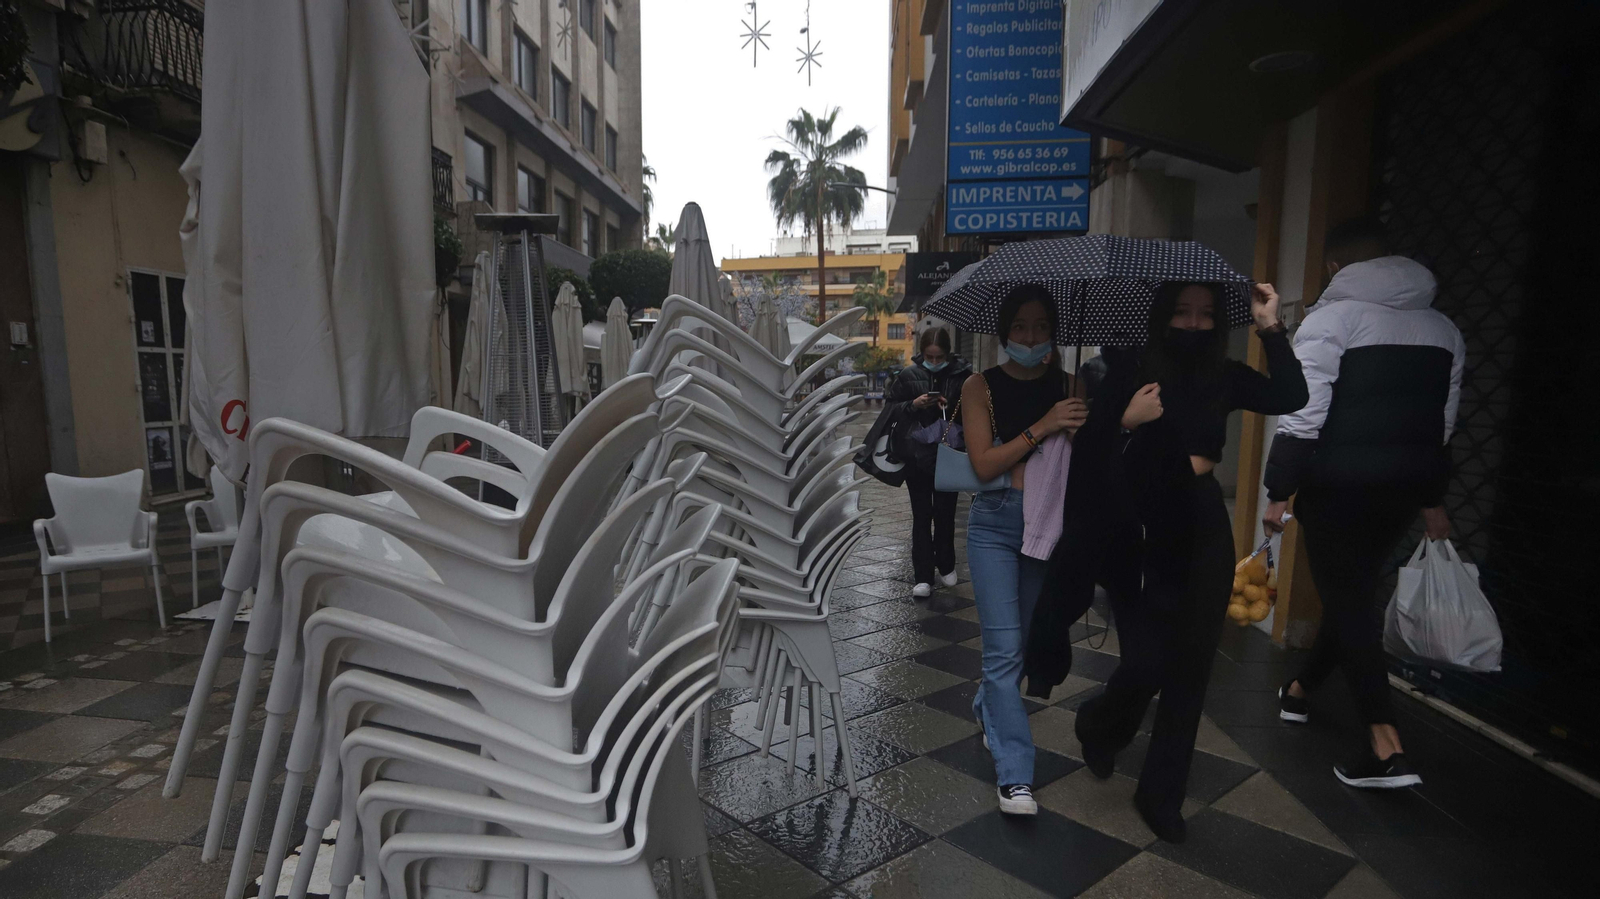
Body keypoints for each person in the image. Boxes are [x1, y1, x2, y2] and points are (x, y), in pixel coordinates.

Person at [1072, 279, 1307, 843]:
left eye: (1206, 314)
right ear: (1162, 316)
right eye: (1182, 312)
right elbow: (1088, 447)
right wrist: (1125, 417)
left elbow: (1291, 396)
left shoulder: (1222, 375)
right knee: (1147, 662)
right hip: (1141, 518)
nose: (1195, 324)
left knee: (1192, 665)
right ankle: (1100, 725)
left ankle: (1160, 794)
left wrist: (1270, 326)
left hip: (1200, 521)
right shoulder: (1127, 368)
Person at [1263, 218, 1464, 790]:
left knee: (1349, 602)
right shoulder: (1443, 327)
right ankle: (1300, 693)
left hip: (1338, 487)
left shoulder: (1333, 319)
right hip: (1401, 490)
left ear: (1335, 266)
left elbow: (1303, 412)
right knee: (1349, 594)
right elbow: (1440, 427)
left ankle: (1386, 745)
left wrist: (1280, 491)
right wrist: (1431, 499)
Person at [960, 284, 1087, 816]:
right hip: (994, 523)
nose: (1030, 337)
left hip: (1047, 523)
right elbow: (985, 464)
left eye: (1040, 327)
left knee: (1022, 639)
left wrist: (1085, 425)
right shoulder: (978, 386)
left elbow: (1087, 466)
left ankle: (990, 705)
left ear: (1054, 332)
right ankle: (1015, 775)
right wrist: (1046, 425)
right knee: (1004, 649)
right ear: (1004, 332)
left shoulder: (1072, 384)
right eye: (1020, 327)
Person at [885, 327, 972, 597]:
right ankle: (923, 576)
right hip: (917, 455)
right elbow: (891, 408)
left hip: (950, 453)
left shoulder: (964, 376)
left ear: (948, 353)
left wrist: (951, 406)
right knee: (922, 516)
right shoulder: (908, 375)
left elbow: (975, 409)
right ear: (921, 353)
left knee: (946, 514)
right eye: (929, 357)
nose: (934, 362)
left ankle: (946, 564)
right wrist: (914, 404)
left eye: (939, 357)